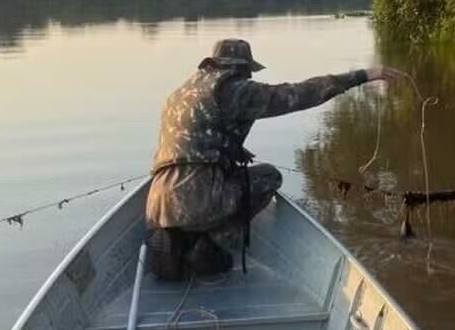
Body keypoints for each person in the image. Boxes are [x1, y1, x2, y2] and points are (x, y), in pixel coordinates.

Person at [145, 38, 402, 280]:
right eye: (249, 73)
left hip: (157, 202)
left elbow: (191, 140)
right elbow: (299, 94)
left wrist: (232, 149)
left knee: (210, 191)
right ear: (240, 69)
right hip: (201, 199)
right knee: (268, 176)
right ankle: (210, 243)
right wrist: (364, 75)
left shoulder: (181, 93)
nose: (250, 78)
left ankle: (176, 239)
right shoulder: (235, 91)